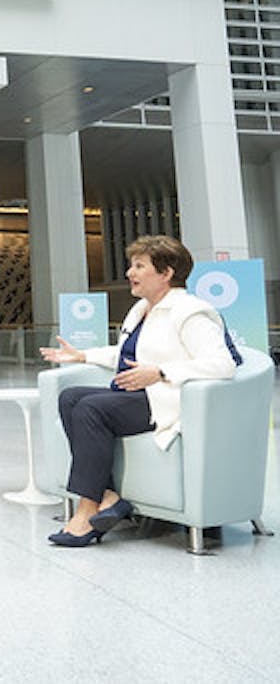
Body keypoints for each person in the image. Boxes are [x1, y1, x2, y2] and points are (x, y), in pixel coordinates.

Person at [39, 234, 236, 547]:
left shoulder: (190, 311)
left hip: (168, 399)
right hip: (136, 396)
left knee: (92, 408)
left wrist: (160, 373)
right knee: (71, 397)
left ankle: (87, 509)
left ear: (166, 273)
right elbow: (127, 354)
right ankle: (107, 495)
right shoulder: (141, 310)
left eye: (139, 266)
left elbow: (222, 363)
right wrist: (82, 355)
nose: (130, 273)